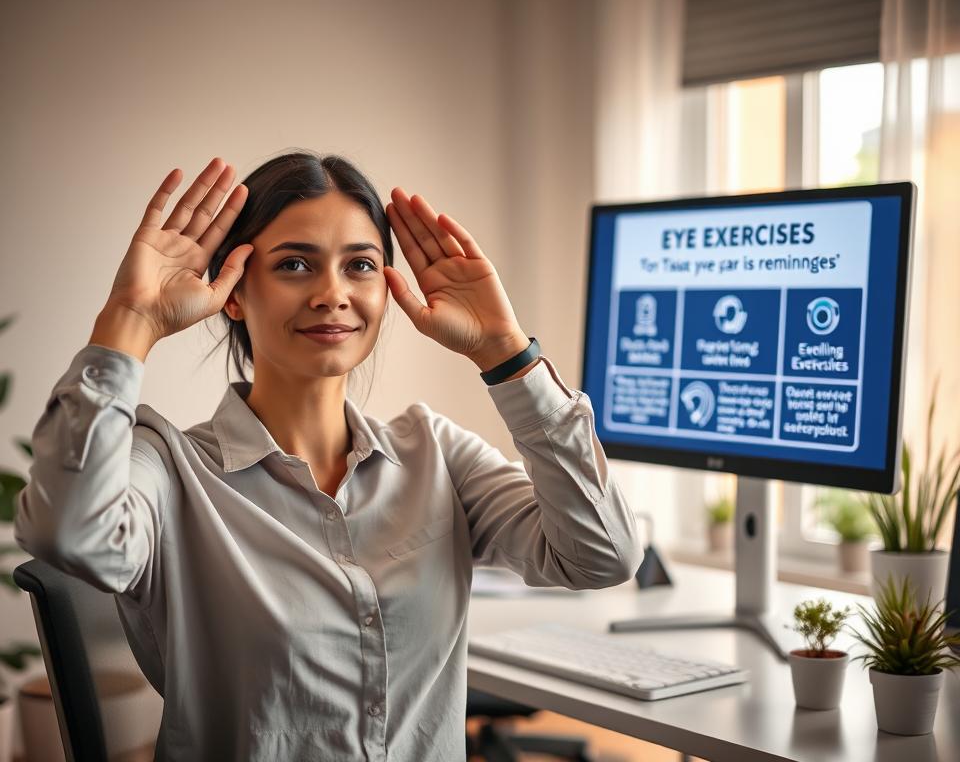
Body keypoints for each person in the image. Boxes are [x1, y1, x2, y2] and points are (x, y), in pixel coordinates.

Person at [14, 151, 644, 761]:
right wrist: (128, 321)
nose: (332, 293)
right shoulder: (170, 470)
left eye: (361, 265)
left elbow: (601, 555)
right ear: (233, 292)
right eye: (294, 265)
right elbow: (69, 533)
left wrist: (507, 354)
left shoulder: (435, 453)